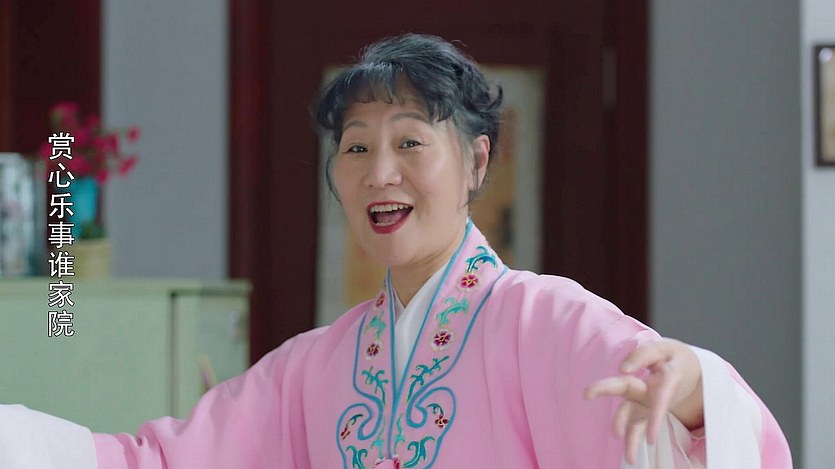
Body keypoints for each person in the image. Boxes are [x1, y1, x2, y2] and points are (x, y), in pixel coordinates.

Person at [1, 33, 791, 468]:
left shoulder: (541, 320)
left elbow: (675, 409)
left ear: (477, 160)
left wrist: (693, 389)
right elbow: (154, 463)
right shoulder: (309, 370)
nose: (379, 172)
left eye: (410, 141)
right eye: (355, 147)